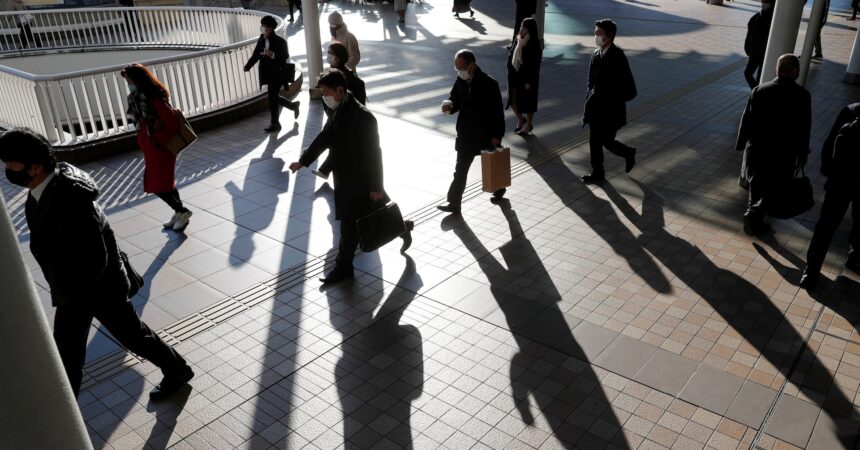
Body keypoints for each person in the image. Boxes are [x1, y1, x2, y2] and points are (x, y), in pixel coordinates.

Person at [0, 129, 194, 400]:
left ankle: (66, 420)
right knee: (79, 351)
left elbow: (93, 256)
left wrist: (72, 296)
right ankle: (176, 370)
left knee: (124, 339)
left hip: (95, 289)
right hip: (79, 288)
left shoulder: (68, 199)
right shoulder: (45, 187)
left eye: (11, 164)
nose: (7, 171)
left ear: (35, 166)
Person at [288, 69, 413, 283]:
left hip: (362, 181)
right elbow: (325, 137)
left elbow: (375, 155)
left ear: (340, 90)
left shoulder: (363, 117)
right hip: (345, 177)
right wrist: (304, 160)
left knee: (349, 226)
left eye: (326, 92)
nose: (324, 97)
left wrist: (375, 186)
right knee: (377, 214)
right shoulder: (336, 110)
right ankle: (403, 227)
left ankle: (344, 267)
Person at [735, 54, 811, 236]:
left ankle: (753, 218)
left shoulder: (760, 90)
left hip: (757, 150)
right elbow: (803, 129)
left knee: (757, 185)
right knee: (777, 188)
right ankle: (755, 215)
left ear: (777, 69)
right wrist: (802, 156)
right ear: (794, 71)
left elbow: (747, 119)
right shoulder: (802, 95)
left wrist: (741, 143)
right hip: (783, 153)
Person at [123, 63, 193, 231]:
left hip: (161, 147)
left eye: (129, 80)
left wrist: (157, 139)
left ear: (138, 80)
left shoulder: (154, 98)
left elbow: (173, 122)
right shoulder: (136, 98)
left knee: (157, 185)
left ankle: (182, 211)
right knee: (166, 183)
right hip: (151, 147)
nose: (128, 84)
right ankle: (179, 213)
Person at [437, 49, 506, 215]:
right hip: (466, 134)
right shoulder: (461, 80)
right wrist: (449, 106)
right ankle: (454, 203)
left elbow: (498, 112)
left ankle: (499, 188)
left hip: (485, 134)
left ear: (472, 65)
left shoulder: (489, 83)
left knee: (491, 164)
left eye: (461, 68)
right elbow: (455, 99)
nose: (459, 71)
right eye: (456, 68)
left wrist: (497, 135)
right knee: (460, 170)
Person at [800, 103, 860, 289]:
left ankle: (811, 271)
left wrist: (828, 171)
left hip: (840, 181)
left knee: (825, 226)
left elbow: (830, 140)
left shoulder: (852, 109)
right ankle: (854, 257)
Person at [581, 19, 637, 184]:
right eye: (595, 32)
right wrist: (589, 96)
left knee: (606, 140)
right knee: (594, 142)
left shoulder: (618, 56)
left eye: (599, 32)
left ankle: (628, 153)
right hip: (596, 107)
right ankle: (598, 173)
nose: (596, 35)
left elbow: (629, 85)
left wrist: (614, 99)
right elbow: (590, 80)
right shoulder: (596, 54)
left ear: (609, 36)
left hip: (612, 110)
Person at [312, 41, 368, 181]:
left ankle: (325, 169)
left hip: (345, 118)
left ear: (339, 57)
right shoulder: (329, 73)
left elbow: (359, 94)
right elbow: (325, 98)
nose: (328, 55)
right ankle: (325, 169)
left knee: (337, 142)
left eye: (331, 53)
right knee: (334, 141)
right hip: (335, 116)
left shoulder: (347, 77)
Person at [244, 15, 301, 133]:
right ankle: (293, 106)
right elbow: (256, 54)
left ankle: (275, 123)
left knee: (272, 98)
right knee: (273, 97)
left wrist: (273, 55)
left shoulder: (280, 41)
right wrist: (248, 66)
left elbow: (285, 56)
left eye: (265, 26)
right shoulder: (261, 39)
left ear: (271, 28)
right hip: (266, 73)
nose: (263, 28)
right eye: (262, 25)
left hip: (277, 73)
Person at [506, 18, 542, 135]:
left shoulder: (534, 45)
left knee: (528, 102)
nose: (522, 29)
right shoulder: (518, 40)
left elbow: (535, 66)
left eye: (525, 28)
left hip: (527, 77)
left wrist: (529, 82)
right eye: (522, 26)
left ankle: (529, 124)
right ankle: (521, 119)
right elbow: (511, 54)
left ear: (530, 30)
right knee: (512, 99)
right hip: (515, 74)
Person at [743, 0, 775, 88]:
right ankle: (756, 92)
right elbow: (749, 35)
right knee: (747, 74)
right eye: (763, 1)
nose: (764, 3)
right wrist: (748, 49)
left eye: (766, 2)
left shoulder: (774, 20)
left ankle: (757, 94)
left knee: (759, 78)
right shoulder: (756, 17)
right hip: (755, 53)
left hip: (765, 55)